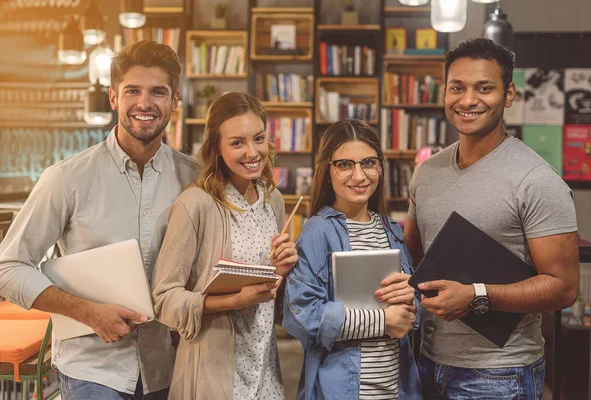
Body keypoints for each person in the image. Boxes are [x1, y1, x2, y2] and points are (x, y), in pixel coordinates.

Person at [0, 40, 200, 399]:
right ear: (112, 98)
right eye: (132, 91)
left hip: (170, 369)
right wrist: (88, 312)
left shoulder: (195, 179)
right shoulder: (66, 178)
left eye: (158, 92)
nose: (145, 103)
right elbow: (9, 266)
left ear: (174, 102)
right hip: (92, 371)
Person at [404, 38, 579, 400]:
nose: (468, 100)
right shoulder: (427, 172)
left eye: (484, 88)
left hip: (500, 375)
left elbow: (564, 287)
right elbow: (412, 259)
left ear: (509, 94)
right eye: (458, 87)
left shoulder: (537, 180)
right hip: (425, 361)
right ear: (445, 91)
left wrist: (478, 296)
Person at [151, 92, 299, 400]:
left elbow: (271, 292)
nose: (252, 152)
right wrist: (232, 301)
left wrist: (281, 270)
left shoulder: (272, 200)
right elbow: (164, 301)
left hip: (265, 369)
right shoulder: (196, 205)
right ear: (216, 148)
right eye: (237, 143)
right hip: (212, 374)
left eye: (258, 139)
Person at [282, 119, 422, 400]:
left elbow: (413, 316)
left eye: (368, 163)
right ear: (327, 170)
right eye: (345, 164)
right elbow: (304, 317)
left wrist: (413, 299)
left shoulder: (392, 231)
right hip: (343, 390)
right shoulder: (318, 231)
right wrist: (382, 321)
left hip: (398, 389)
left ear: (380, 167)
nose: (359, 176)